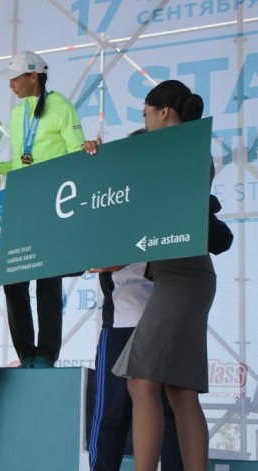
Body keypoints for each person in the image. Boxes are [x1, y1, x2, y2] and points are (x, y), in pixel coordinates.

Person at [112, 79, 216, 471]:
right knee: (180, 390)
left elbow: (160, 212)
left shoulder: (183, 152)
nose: (145, 123)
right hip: (185, 275)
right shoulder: (185, 151)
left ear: (163, 112)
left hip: (182, 275)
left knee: (141, 381)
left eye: (145, 115)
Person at [0, 51, 88, 368]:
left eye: (15, 78)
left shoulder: (61, 107)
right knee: (14, 280)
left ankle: (46, 353)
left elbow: (77, 154)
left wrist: (87, 151)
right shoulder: (18, 113)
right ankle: (25, 353)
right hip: (22, 203)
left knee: (48, 281)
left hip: (53, 204)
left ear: (34, 76)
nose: (11, 85)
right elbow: (22, 162)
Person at [87, 263, 182, 471]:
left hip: (164, 321)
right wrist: (93, 262)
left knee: (172, 412)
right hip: (119, 325)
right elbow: (74, 261)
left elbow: (220, 243)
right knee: (111, 413)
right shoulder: (102, 238)